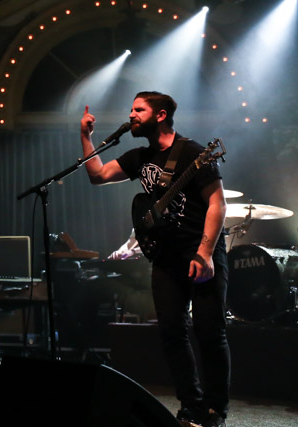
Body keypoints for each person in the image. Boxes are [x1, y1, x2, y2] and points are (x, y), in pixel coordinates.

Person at [80, 93, 229, 427]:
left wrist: (205, 253)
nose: (131, 114)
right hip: (166, 257)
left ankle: (215, 409)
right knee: (172, 332)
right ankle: (190, 404)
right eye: (131, 109)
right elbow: (98, 175)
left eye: (138, 109)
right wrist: (86, 137)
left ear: (160, 115)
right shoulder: (140, 156)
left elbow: (217, 204)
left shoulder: (193, 153)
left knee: (209, 333)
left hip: (201, 252)